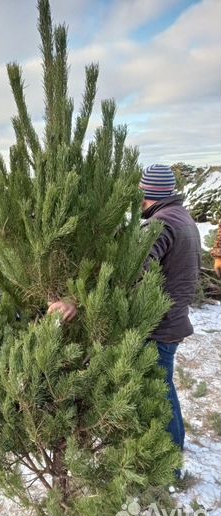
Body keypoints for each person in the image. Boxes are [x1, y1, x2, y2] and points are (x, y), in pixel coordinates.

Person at [48, 164, 201, 451]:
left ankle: (171, 461)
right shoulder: (183, 218)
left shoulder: (160, 224)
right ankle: (168, 454)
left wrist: (78, 300)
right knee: (161, 391)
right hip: (171, 319)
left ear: (147, 193)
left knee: (161, 395)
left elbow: (129, 272)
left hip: (158, 324)